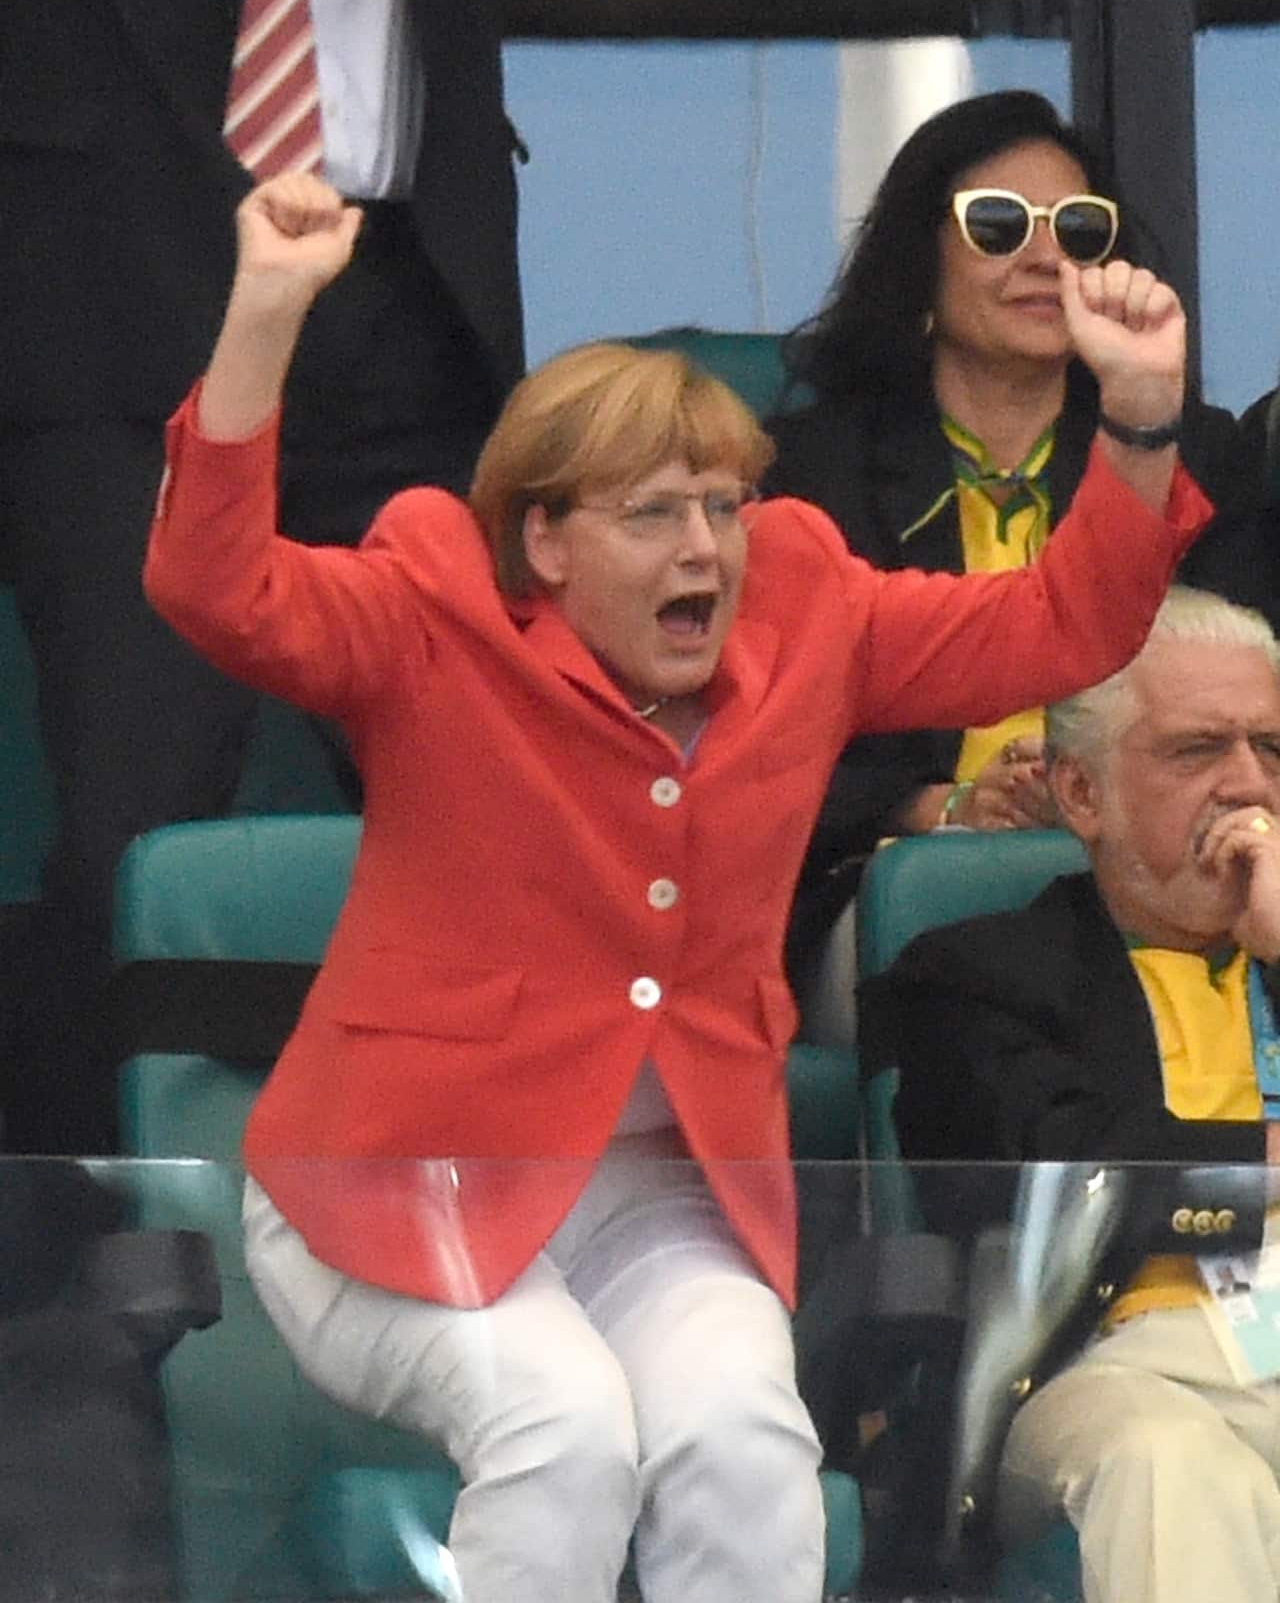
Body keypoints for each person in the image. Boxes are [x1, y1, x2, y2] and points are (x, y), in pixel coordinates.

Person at [143, 168, 1205, 1603]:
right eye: (654, 514)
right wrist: (265, 311)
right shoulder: (433, 612)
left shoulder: (805, 604)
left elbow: (1064, 620)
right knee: (565, 1430)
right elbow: (213, 585)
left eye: (725, 503)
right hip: (398, 1176)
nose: (707, 545)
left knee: (744, 1438)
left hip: (660, 1190)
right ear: (544, 540)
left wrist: (1136, 419)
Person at [0, 0, 523, 1152]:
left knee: (494, 794)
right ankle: (91, 1237)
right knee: (140, 815)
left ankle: (494, 1185)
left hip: (399, 308)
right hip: (121, 316)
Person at [763, 90, 1252, 972]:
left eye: (1078, 229)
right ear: (922, 256)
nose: (1044, 256)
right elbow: (756, 746)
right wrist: (939, 808)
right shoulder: (807, 475)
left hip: (1169, 868)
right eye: (998, 225)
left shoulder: (1189, 454)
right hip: (899, 886)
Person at [859, 586, 1280, 1603]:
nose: (1246, 787)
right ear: (1080, 795)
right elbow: (1072, 1180)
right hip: (1098, 1360)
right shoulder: (978, 971)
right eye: (1195, 752)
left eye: (1270, 749)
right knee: (1159, 1457)